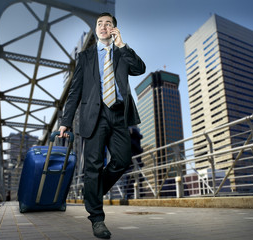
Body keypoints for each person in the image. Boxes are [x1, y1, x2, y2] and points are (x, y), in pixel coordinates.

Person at [58, 12, 145, 239]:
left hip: (117, 114)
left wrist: (122, 45)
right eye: (100, 24)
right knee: (93, 166)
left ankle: (92, 192)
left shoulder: (121, 53)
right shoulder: (85, 57)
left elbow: (140, 69)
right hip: (93, 115)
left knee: (123, 159)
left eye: (108, 24)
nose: (103, 26)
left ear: (115, 29)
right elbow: (75, 90)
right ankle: (97, 218)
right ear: (96, 29)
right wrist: (65, 122)